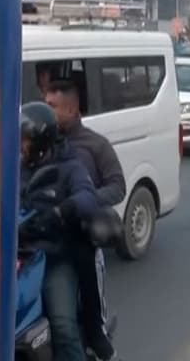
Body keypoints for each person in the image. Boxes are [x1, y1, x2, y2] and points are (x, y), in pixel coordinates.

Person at [42, 63, 126, 361]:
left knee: (94, 329)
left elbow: (118, 187)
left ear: (71, 108)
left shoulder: (95, 145)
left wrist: (84, 200)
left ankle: (99, 341)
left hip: (85, 241)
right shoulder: (42, 146)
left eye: (52, 105)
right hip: (46, 243)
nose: (47, 110)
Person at [19, 102, 104, 361]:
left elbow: (88, 197)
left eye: (25, 141)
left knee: (63, 325)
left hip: (55, 257)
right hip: (19, 253)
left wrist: (61, 211)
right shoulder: (15, 167)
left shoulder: (69, 166)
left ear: (41, 142)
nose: (20, 146)